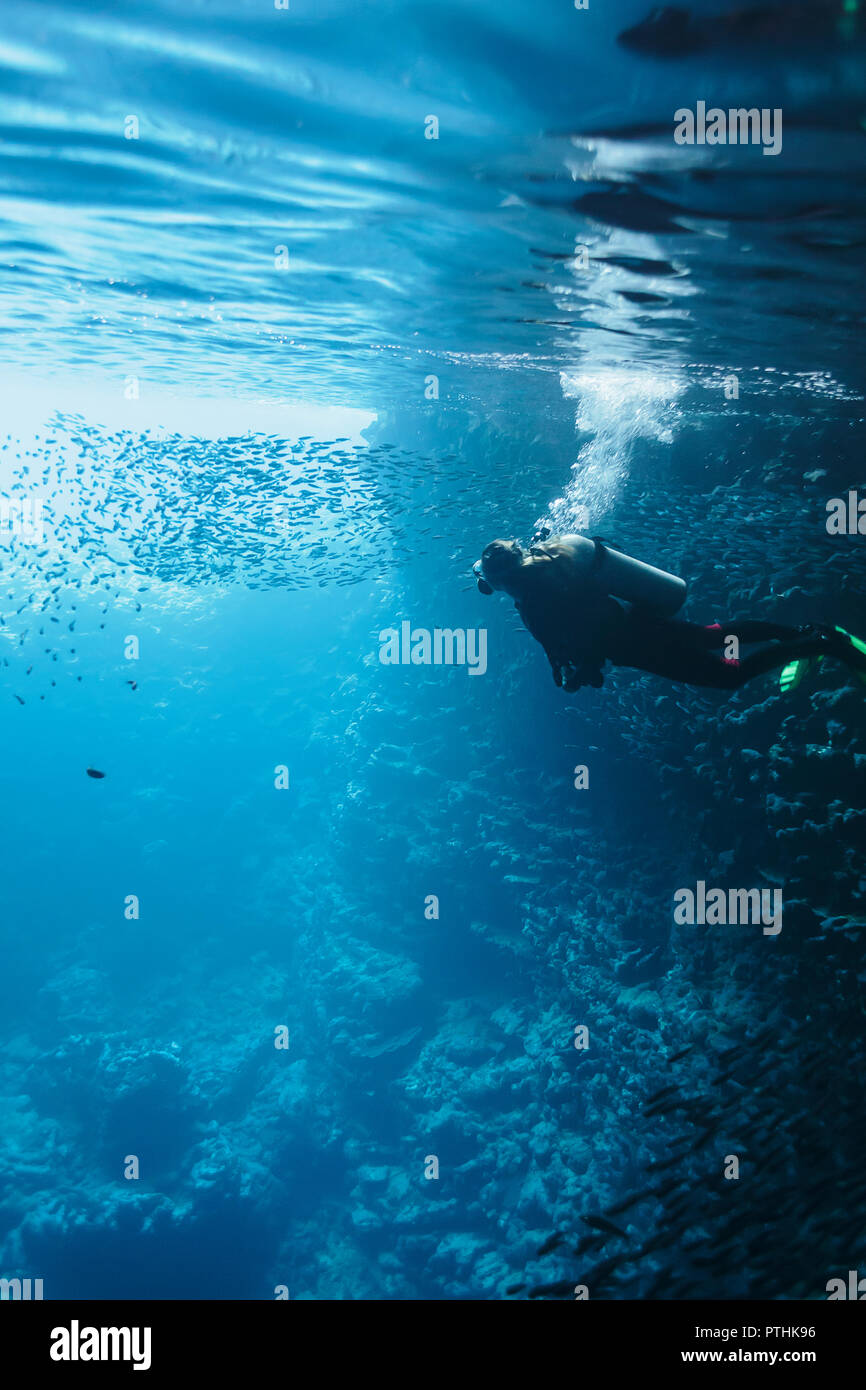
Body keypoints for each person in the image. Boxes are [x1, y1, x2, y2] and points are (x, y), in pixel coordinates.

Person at [475, 534, 866, 693]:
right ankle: (798, 633)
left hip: (637, 646)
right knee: (713, 636)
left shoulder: (535, 606)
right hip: (638, 619)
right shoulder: (551, 559)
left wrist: (581, 675)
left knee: (729, 676)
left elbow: (588, 645)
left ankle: (821, 642)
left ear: (502, 581)